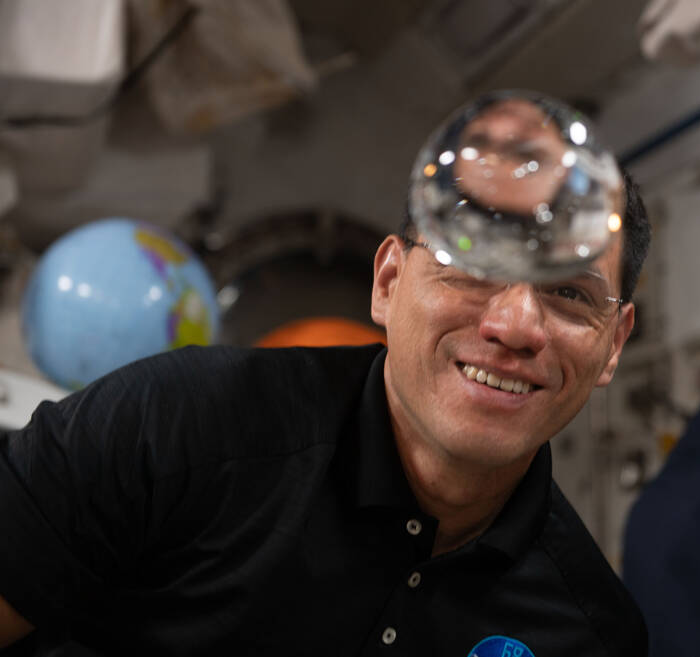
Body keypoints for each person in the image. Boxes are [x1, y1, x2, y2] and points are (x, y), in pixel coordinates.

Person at [0, 170, 651, 656]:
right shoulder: (172, 429)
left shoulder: (589, 631)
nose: (514, 324)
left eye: (568, 292)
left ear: (612, 343)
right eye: (474, 266)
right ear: (388, 283)